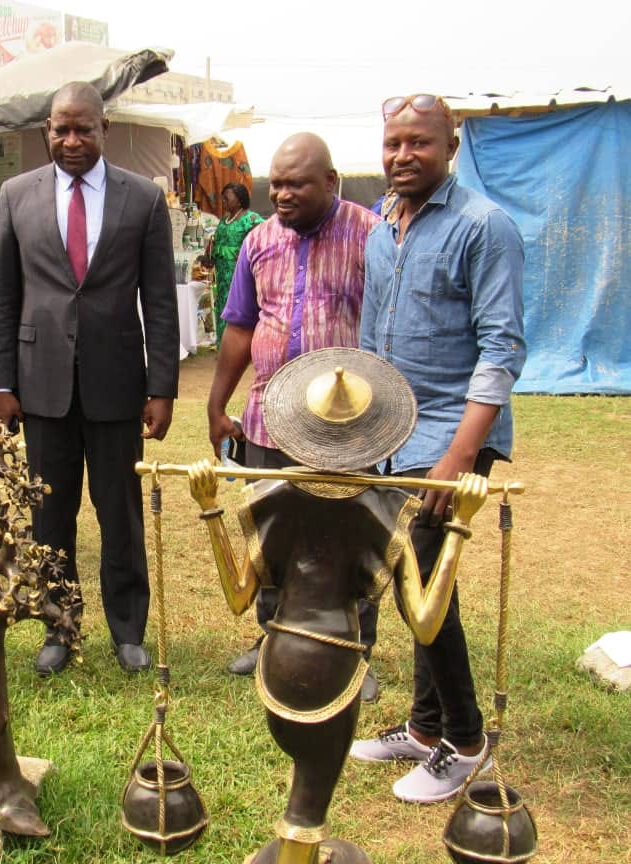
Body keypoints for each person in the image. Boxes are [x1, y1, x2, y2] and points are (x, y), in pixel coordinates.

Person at [188, 348, 489, 864]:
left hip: (278, 665)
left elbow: (240, 599)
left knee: (304, 782)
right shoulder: (386, 507)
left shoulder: (272, 496)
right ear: (373, 430)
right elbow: (424, 621)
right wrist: (460, 525)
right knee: (308, 805)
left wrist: (211, 509)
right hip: (335, 670)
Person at [351, 93, 526, 803]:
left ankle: (465, 738)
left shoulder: (486, 228)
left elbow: (502, 348)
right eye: (392, 142)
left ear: (450, 146)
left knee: (426, 582)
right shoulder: (379, 226)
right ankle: (423, 729)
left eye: (418, 143)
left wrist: (455, 460)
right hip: (390, 433)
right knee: (406, 581)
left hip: (452, 435)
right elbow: (369, 342)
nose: (401, 156)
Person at [0, 81, 179, 676]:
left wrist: (163, 387)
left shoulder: (143, 199)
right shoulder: (16, 195)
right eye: (59, 129)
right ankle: (58, 626)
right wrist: (1, 384)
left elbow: (161, 301)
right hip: (40, 384)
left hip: (117, 382)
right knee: (50, 513)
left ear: (104, 129)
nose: (70, 140)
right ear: (47, 129)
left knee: (119, 511)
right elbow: (4, 297)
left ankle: (128, 629)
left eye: (83, 129)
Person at [206, 133, 381, 694]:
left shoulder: (371, 236)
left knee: (348, 535)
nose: (282, 194)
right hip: (266, 417)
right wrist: (217, 403)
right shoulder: (259, 241)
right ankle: (273, 639)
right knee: (272, 534)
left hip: (346, 424)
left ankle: (355, 652)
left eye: (296, 183)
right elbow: (239, 326)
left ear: (331, 181)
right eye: (276, 183)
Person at [205, 182, 262, 340]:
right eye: (222, 199)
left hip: (239, 272)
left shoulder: (250, 218)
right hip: (222, 273)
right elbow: (217, 239)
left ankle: (239, 342)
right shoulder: (224, 220)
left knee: (239, 303)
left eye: (227, 198)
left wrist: (245, 253)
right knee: (223, 303)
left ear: (239, 199)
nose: (223, 202)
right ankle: (223, 341)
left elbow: (260, 240)